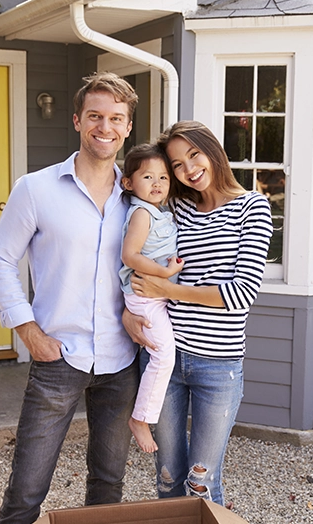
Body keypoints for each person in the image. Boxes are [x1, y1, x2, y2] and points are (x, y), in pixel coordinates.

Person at [0, 72, 140, 524]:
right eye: (95, 116)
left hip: (121, 359)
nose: (105, 127)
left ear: (128, 127)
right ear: (77, 120)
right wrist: (27, 330)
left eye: (116, 118)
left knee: (109, 481)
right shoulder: (35, 189)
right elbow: (0, 260)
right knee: (28, 485)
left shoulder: (138, 198)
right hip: (57, 357)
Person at [125, 120, 273, 507]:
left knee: (201, 481)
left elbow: (241, 293)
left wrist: (168, 289)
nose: (188, 169)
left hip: (218, 366)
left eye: (194, 155)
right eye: (176, 164)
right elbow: (129, 244)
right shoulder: (175, 207)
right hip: (164, 358)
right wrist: (128, 314)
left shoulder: (252, 207)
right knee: (167, 475)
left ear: (212, 149)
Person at [118, 143, 183, 453]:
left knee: (161, 353)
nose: (157, 184)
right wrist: (164, 273)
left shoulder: (160, 212)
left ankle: (143, 416)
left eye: (163, 178)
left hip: (154, 295)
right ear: (128, 182)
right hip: (145, 296)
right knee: (163, 355)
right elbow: (129, 255)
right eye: (147, 177)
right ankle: (141, 419)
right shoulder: (142, 214)